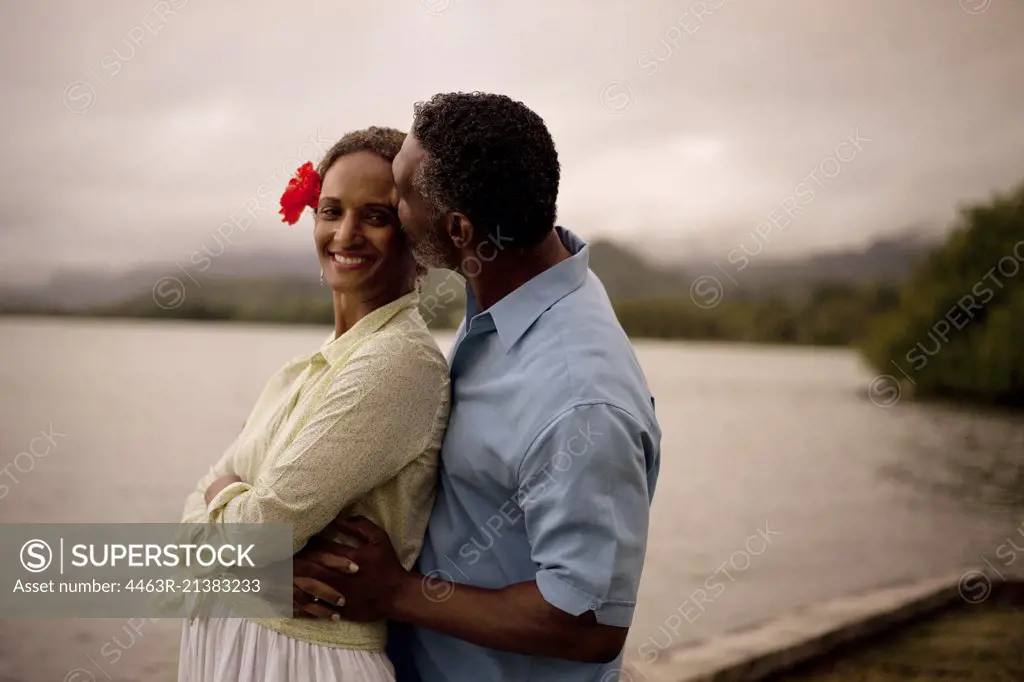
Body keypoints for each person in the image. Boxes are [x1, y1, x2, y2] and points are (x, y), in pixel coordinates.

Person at [291, 93, 662, 682]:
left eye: (397, 200)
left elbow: (588, 621)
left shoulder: (579, 399)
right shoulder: (512, 291)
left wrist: (398, 593)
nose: (389, 207)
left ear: (458, 229)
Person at [177, 126, 451, 682]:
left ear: (414, 236)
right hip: (247, 650)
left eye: (375, 217)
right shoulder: (312, 366)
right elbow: (196, 527)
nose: (345, 235)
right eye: (331, 211)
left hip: (306, 662)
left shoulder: (398, 364)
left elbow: (259, 524)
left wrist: (226, 504)